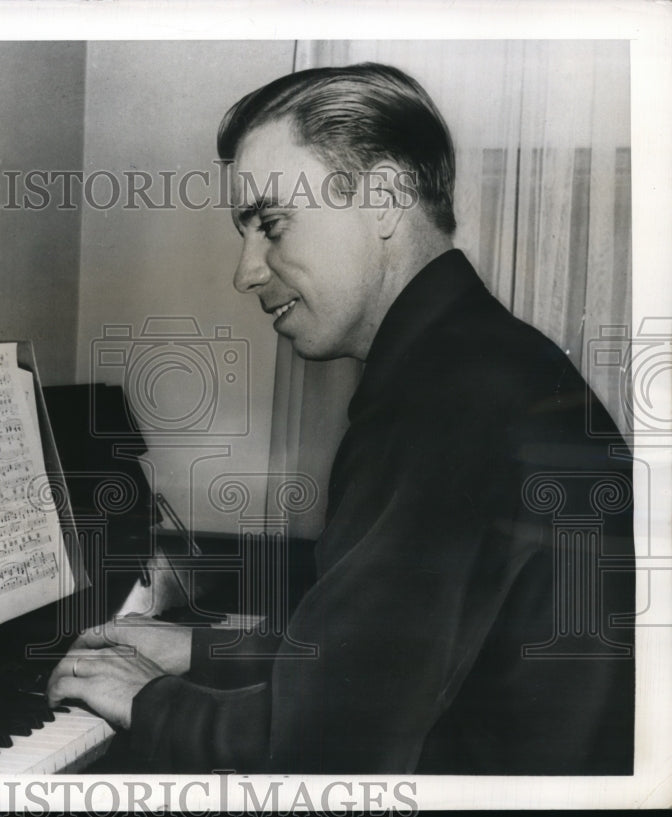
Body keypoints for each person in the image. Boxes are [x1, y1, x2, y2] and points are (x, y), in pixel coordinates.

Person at [47, 63, 635, 774]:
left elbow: (327, 745)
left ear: (383, 199)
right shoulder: (481, 362)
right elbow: (381, 661)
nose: (246, 271)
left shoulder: (448, 398)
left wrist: (146, 699)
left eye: (272, 224)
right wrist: (201, 650)